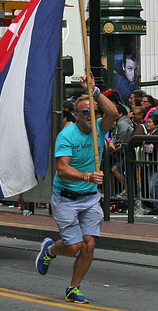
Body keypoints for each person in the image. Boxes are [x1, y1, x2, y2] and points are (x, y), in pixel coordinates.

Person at [35, 76, 117, 304]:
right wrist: (87, 176)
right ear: (76, 115)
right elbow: (62, 169)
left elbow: (113, 114)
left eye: (94, 111)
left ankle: (73, 288)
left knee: (89, 244)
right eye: (85, 112)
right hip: (66, 198)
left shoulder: (100, 128)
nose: (91, 116)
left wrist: (95, 90)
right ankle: (51, 250)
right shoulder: (67, 135)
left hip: (90, 197)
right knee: (74, 246)